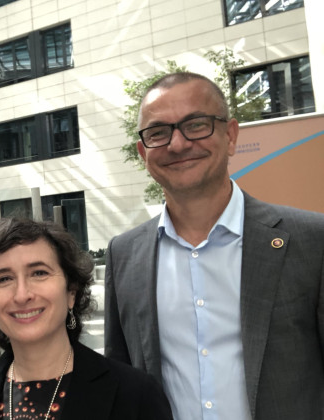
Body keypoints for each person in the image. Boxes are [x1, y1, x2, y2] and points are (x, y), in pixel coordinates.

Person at [104, 71, 324, 420]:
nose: (177, 144)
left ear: (231, 135)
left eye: (196, 124)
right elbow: (119, 378)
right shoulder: (124, 255)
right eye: (159, 132)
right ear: (143, 152)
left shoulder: (312, 240)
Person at [0, 217, 172, 420]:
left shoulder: (135, 394)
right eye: (4, 279)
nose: (22, 295)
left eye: (39, 273)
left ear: (71, 291)